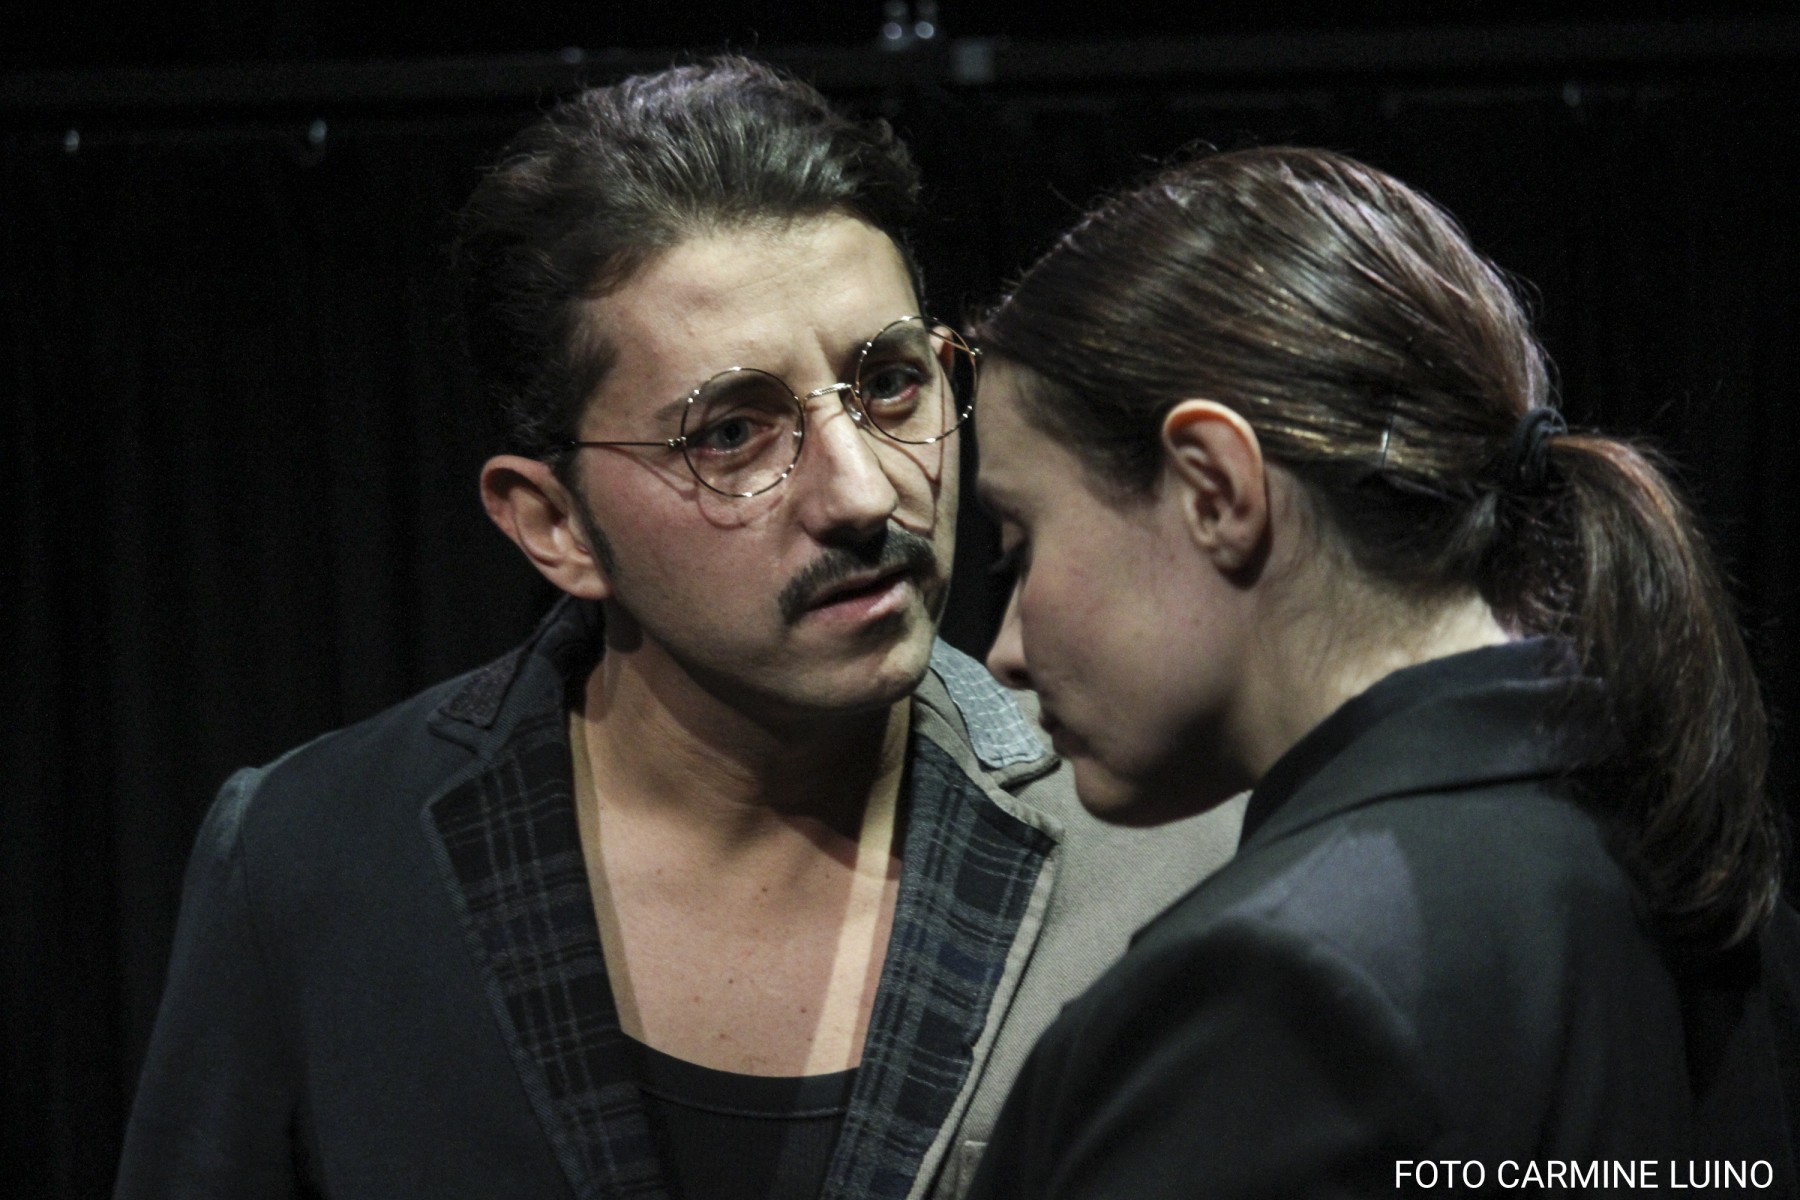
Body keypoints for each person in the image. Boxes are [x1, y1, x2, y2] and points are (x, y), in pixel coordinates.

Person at [112, 58, 1243, 1200]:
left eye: (892, 384)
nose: (863, 492)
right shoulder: (315, 859)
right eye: (731, 434)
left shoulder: (1176, 839)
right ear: (555, 525)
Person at [964, 146, 1800, 1197]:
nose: (1004, 648)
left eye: (1019, 545)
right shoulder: (1696, 882)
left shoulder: (1274, 993)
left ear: (1215, 490)